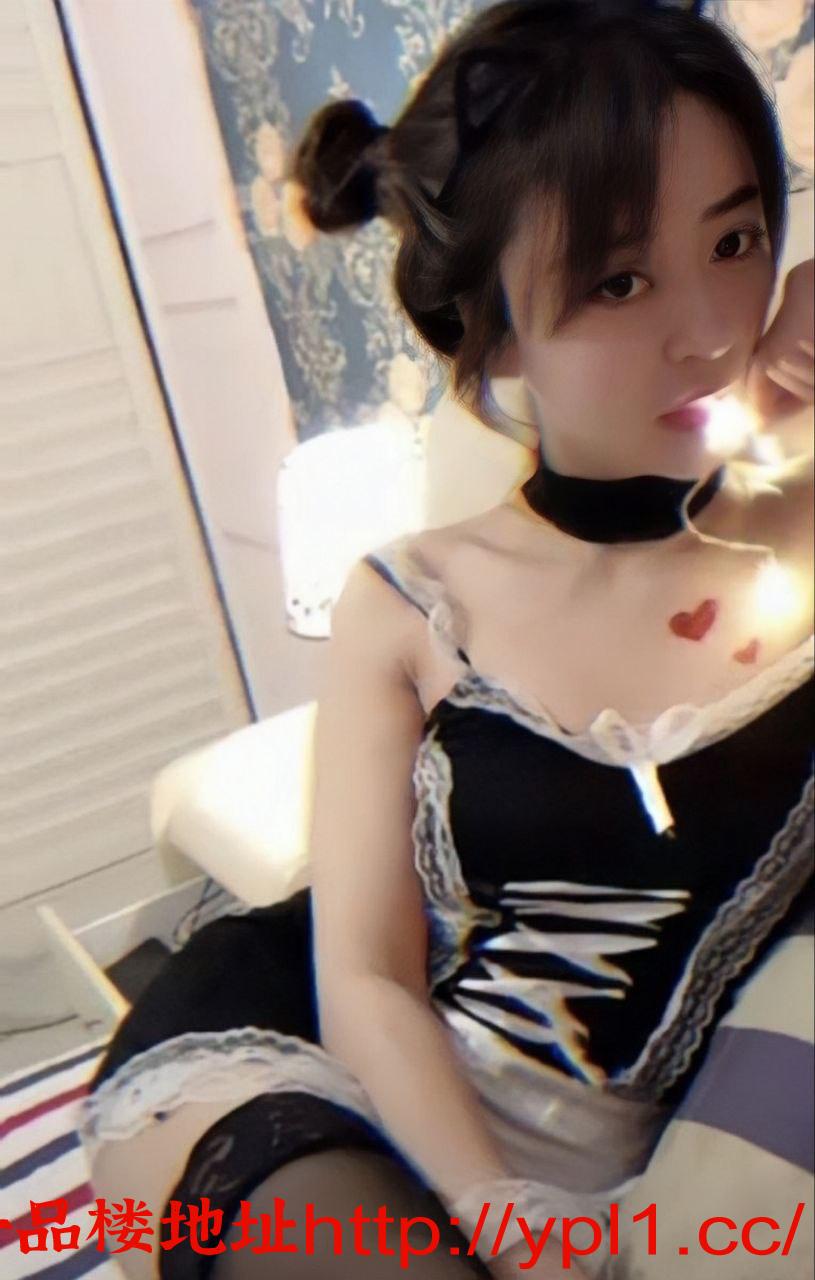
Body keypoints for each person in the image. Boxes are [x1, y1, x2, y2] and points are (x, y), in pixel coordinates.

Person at [79, 2, 814, 1277]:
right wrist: (498, 1207)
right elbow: (365, 975)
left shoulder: (793, 526)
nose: (708, 327)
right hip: (310, 1069)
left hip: (621, 1152)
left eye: (734, 240)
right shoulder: (413, 599)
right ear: (495, 329)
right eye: (619, 280)